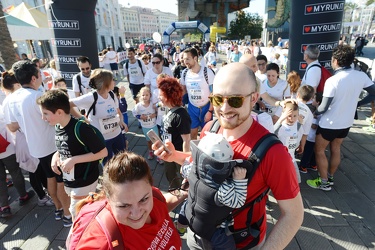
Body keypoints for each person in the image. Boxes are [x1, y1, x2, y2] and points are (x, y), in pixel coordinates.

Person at [153, 63, 303, 249]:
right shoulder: (210, 129)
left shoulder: (273, 152)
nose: (224, 108)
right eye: (217, 99)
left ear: (254, 98)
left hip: (242, 244)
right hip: (198, 234)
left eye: (235, 100)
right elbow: (200, 166)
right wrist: (174, 155)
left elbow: (294, 214)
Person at [69, 151, 185, 249]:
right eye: (124, 206)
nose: (137, 213)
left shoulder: (155, 196)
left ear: (151, 187)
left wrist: (185, 191)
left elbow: (162, 206)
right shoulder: (101, 241)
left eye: (144, 199)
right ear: (108, 199)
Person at [7, 61, 71, 223]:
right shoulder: (37, 97)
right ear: (34, 78)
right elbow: (56, 118)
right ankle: (67, 214)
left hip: (35, 147)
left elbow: (12, 126)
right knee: (61, 180)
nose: (42, 76)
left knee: (50, 178)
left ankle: (58, 209)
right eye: (40, 74)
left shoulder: (12, 98)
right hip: (51, 145)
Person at [307, 45, 375, 191]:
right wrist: (358, 103)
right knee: (336, 149)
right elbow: (373, 93)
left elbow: (324, 107)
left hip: (329, 123)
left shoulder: (333, 80)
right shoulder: (360, 75)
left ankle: (324, 182)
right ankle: (330, 177)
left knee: (319, 151)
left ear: (336, 60)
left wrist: (313, 112)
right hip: (347, 122)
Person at [37, 89, 108, 221]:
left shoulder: (81, 128)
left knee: (77, 215)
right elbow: (65, 146)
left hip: (84, 180)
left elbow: (103, 152)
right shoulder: (58, 126)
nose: (43, 118)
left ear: (59, 112)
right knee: (82, 213)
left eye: (45, 113)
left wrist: (74, 160)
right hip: (70, 181)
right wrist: (55, 157)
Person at [177, 132, 247, 249]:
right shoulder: (224, 187)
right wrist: (239, 181)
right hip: (214, 232)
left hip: (191, 214)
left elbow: (182, 169)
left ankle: (180, 226)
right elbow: (238, 202)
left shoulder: (192, 170)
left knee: (186, 206)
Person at [70, 69, 128, 163]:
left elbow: (118, 112)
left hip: (117, 135)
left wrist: (121, 121)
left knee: (122, 161)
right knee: (107, 165)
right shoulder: (91, 97)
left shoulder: (112, 94)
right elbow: (68, 104)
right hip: (102, 140)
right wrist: (81, 117)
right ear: (106, 83)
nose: (114, 81)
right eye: (112, 79)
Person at [0, 102, 35, 217]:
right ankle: (23, 195)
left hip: (5, 147)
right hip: (7, 148)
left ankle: (4, 206)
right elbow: (9, 126)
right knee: (15, 172)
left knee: (0, 179)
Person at [157, 76, 191, 189]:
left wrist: (186, 161)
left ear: (169, 96)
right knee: (169, 173)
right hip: (168, 151)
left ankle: (184, 193)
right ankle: (175, 190)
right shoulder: (168, 109)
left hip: (177, 153)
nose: (158, 97)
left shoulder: (181, 115)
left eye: (161, 95)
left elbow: (186, 140)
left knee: (182, 175)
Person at [180, 48, 215, 140]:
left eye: (187, 59)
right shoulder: (184, 73)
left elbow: (213, 93)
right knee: (192, 135)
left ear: (195, 58)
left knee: (206, 136)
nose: (185, 62)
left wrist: (210, 111)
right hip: (192, 108)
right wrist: (182, 104)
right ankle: (194, 153)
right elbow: (183, 90)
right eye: (183, 59)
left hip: (206, 107)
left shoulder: (207, 72)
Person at [274, 101, 304, 183]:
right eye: (289, 116)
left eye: (295, 116)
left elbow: (295, 131)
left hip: (291, 159)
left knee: (296, 181)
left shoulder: (295, 124)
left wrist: (301, 123)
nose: (292, 119)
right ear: (284, 114)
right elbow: (273, 133)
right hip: (280, 160)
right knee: (277, 181)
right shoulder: (281, 126)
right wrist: (281, 119)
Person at [132, 87, 158, 160]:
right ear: (140, 96)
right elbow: (134, 113)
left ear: (150, 95)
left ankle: (158, 154)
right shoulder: (138, 106)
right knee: (149, 141)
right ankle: (150, 152)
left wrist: (155, 114)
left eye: (147, 95)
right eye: (143, 95)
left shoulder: (152, 105)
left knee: (156, 140)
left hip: (153, 125)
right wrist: (140, 116)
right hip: (145, 126)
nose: (145, 97)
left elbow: (158, 112)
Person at [299, 92, 322, 174]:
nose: (312, 99)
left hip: (311, 136)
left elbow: (315, 126)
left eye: (314, 98)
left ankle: (303, 166)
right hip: (315, 137)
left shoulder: (319, 113)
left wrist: (308, 122)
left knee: (307, 152)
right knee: (313, 152)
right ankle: (313, 165)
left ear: (318, 102)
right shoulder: (318, 111)